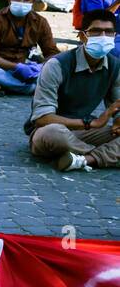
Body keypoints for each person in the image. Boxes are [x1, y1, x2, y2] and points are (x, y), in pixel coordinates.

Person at [24, 9, 120, 172]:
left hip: (87, 132)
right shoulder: (57, 65)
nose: (103, 37)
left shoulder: (115, 66)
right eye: (96, 31)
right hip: (52, 131)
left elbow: (117, 104)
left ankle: (82, 159)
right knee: (54, 133)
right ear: (82, 36)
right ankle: (100, 156)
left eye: (108, 32)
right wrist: (91, 123)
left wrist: (118, 120)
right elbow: (41, 118)